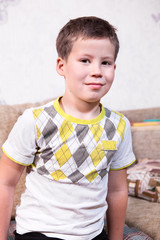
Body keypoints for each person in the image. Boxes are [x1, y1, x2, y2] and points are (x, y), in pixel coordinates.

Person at [0, 16, 135, 240]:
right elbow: (5, 182)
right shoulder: (34, 120)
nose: (97, 71)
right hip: (39, 232)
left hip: (92, 234)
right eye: (85, 60)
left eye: (105, 62)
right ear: (61, 66)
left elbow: (117, 190)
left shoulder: (118, 125)